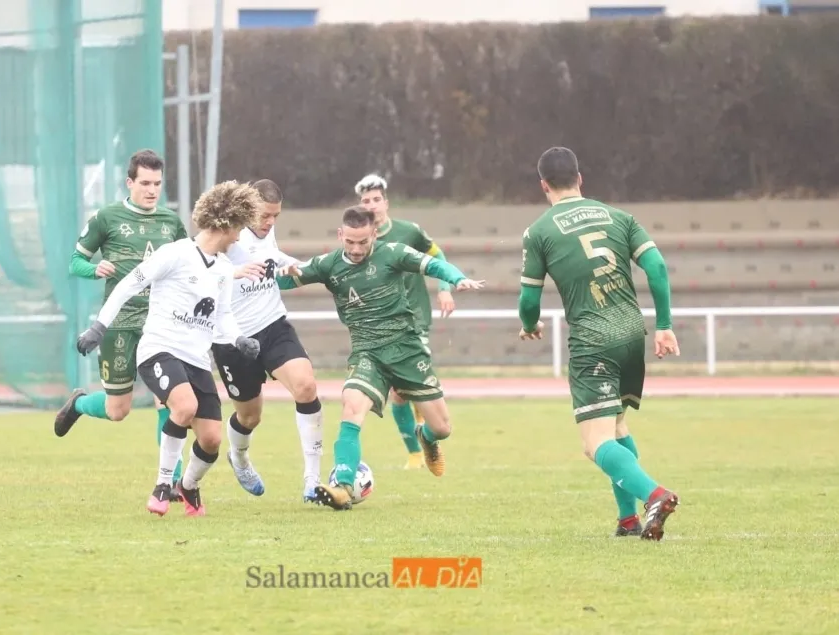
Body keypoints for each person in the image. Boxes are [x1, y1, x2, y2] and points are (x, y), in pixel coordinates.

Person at [518, 146, 680, 541]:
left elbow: (528, 300)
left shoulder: (538, 231)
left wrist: (530, 324)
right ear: (580, 178)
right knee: (618, 427)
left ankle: (655, 495)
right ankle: (628, 521)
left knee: (595, 445)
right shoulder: (619, 217)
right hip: (630, 333)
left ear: (543, 185)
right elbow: (656, 266)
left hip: (593, 340)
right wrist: (664, 324)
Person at [276, 206, 485, 511]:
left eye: (363, 241)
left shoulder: (394, 253)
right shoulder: (327, 264)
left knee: (442, 428)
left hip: (406, 350)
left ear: (374, 233)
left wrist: (458, 278)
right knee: (351, 404)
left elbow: (434, 264)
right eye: (350, 242)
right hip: (367, 352)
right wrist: (284, 273)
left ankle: (424, 438)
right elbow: (283, 282)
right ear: (340, 235)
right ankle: (343, 486)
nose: (356, 249)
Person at [74, 181, 263, 517]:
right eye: (238, 230)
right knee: (184, 406)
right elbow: (127, 285)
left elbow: (223, 317)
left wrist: (238, 340)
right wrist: (99, 327)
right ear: (226, 223)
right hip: (159, 350)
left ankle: (187, 487)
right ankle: (162, 484)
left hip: (196, 360)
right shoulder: (175, 253)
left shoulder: (221, 269)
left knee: (211, 440)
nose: (238, 238)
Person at [54, 149, 187, 501]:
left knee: (169, 402)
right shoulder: (106, 218)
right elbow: (74, 262)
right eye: (144, 183)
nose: (151, 190)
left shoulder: (171, 222)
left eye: (157, 184)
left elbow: (187, 267)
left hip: (160, 326)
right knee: (118, 411)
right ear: (129, 182)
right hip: (118, 325)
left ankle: (171, 481)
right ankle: (80, 404)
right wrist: (93, 268)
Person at [212, 179, 325, 503]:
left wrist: (291, 264)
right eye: (264, 216)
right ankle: (240, 458)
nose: (269, 222)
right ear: (247, 209)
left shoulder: (267, 229)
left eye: (276, 216)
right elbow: (201, 269)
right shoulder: (226, 233)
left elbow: (268, 253)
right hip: (234, 337)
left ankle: (312, 480)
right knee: (250, 416)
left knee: (305, 386)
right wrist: (233, 272)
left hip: (272, 324)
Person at [354, 174, 456, 470]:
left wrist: (445, 288)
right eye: (365, 201)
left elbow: (439, 255)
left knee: (400, 391)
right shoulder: (360, 240)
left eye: (375, 199)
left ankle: (423, 440)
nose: (371, 205)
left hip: (415, 318)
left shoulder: (409, 232)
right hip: (382, 323)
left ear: (385, 202)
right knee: (399, 395)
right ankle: (416, 450)